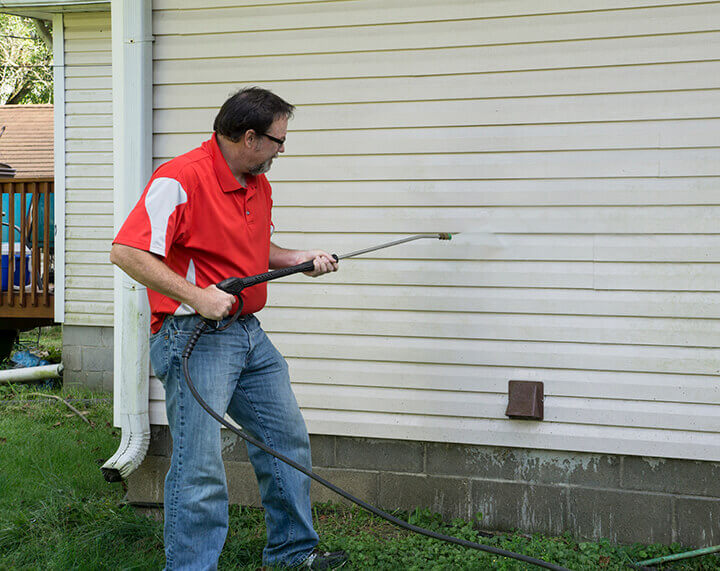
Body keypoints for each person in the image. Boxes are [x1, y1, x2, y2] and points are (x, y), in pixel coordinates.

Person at [110, 87, 348, 570]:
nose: (283, 150)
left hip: (247, 335)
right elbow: (127, 252)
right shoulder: (180, 178)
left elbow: (254, 252)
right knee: (200, 469)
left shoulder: (256, 182)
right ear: (249, 137)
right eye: (279, 141)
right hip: (193, 339)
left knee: (285, 440)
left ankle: (291, 553)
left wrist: (297, 258)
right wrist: (198, 297)